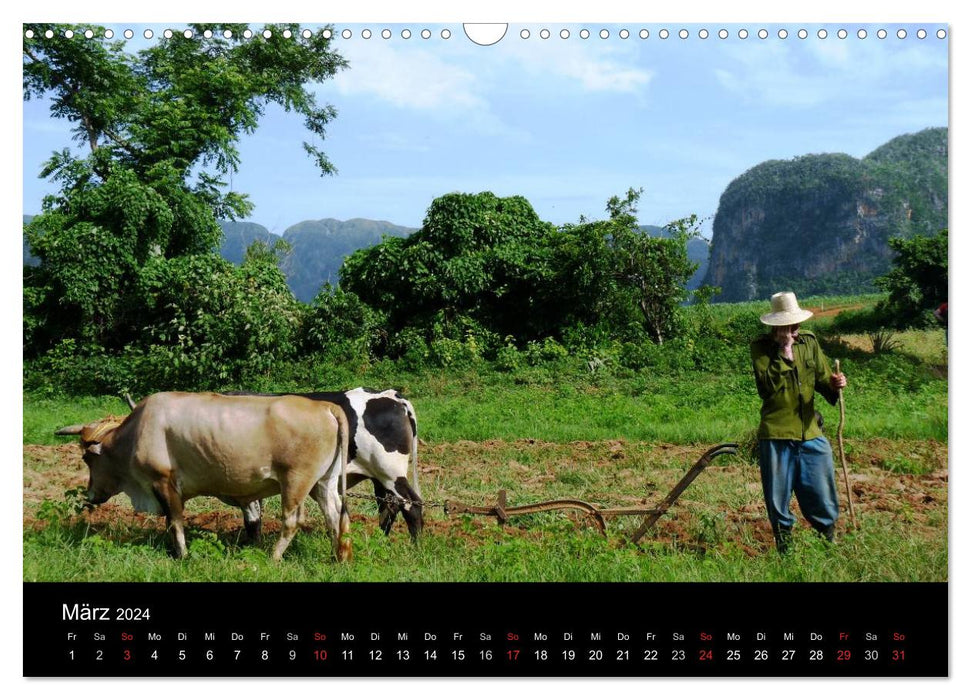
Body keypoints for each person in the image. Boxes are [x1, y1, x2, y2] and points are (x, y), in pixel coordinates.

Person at [750, 292, 847, 554]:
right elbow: (767, 387)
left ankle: (828, 542)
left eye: (795, 325)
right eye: (787, 326)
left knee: (821, 490)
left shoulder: (810, 343)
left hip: (810, 431)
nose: (793, 330)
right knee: (777, 497)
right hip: (776, 433)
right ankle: (786, 550)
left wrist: (836, 385)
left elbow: (825, 381)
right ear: (776, 326)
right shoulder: (761, 348)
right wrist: (784, 351)